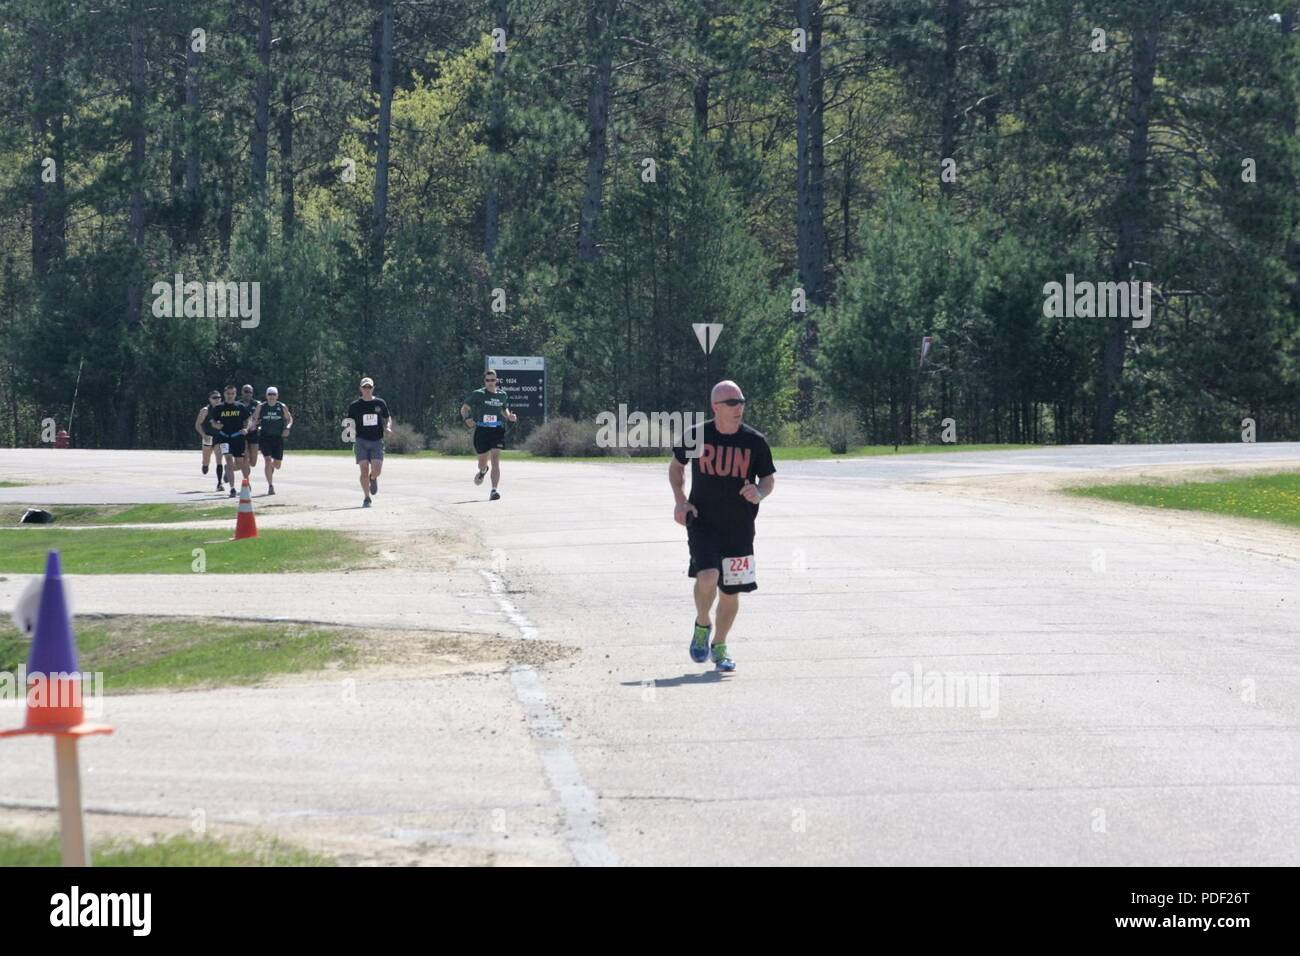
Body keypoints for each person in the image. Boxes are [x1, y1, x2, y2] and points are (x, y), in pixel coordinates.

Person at [668, 380, 776, 673]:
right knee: (707, 576)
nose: (739, 407)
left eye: (741, 401)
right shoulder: (697, 435)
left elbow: (767, 479)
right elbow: (677, 466)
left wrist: (760, 493)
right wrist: (681, 501)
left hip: (740, 528)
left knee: (730, 593)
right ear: (716, 406)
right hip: (703, 522)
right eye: (732, 403)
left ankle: (720, 645)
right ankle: (702, 624)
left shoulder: (755, 441)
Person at [460, 368, 516, 501]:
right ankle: (483, 470)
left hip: (497, 429)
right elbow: (464, 408)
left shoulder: (502, 395)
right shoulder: (478, 394)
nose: (490, 382)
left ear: (496, 380)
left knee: (496, 459)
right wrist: (467, 419)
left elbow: (504, 409)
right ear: (484, 381)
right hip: (482, 430)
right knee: (482, 463)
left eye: (493, 380)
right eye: (488, 380)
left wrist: (509, 416)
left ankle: (494, 490)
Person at [346, 377, 391, 508]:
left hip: (377, 440)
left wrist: (387, 426)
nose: (367, 390)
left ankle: (373, 478)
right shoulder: (355, 406)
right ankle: (367, 498)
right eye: (364, 387)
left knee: (376, 470)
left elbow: (387, 417)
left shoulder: (380, 403)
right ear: (360, 388)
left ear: (373, 388)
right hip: (361, 440)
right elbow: (349, 422)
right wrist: (349, 432)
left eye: (369, 387)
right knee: (364, 469)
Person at [246, 386, 293, 495]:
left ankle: (271, 466)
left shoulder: (281, 406)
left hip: (277, 438)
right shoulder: (261, 407)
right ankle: (270, 486)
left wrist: (287, 428)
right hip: (265, 437)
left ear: (277, 396)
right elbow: (254, 418)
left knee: (277, 465)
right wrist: (251, 427)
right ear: (266, 396)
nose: (271, 396)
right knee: (267, 459)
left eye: (274, 394)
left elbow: (289, 419)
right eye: (269, 394)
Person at [211, 384, 252, 497]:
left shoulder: (240, 407)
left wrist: (246, 428)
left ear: (235, 394)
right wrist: (216, 425)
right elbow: (213, 421)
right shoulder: (219, 408)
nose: (230, 396)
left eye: (232, 394)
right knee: (229, 460)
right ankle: (232, 488)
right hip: (224, 437)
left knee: (239, 463)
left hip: (238, 437)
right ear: (224, 394)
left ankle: (244, 481)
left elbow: (249, 419)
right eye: (228, 394)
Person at [195, 390, 226, 491]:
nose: (217, 400)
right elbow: (197, 425)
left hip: (218, 437)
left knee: (219, 460)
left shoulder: (223, 409)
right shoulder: (205, 410)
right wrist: (203, 435)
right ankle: (205, 465)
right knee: (206, 460)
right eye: (214, 398)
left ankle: (219, 483)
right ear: (210, 399)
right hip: (208, 437)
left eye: (218, 397)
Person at [241, 384, 261, 471]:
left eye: (250, 392)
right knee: (245, 457)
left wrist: (257, 423)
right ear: (242, 392)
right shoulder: (238, 404)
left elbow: (261, 418)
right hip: (242, 434)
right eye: (246, 391)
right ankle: (246, 480)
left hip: (253, 433)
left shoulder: (257, 404)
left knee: (253, 463)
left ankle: (230, 468)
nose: (248, 393)